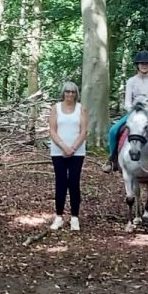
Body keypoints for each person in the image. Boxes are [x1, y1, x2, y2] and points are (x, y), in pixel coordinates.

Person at [102, 51, 148, 173]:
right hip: (133, 112)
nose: (144, 65)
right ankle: (112, 159)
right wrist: (132, 111)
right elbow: (127, 102)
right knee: (113, 131)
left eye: (147, 63)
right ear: (137, 65)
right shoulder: (131, 81)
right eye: (141, 63)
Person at [48, 81, 87, 231]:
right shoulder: (55, 109)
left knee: (74, 182)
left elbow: (83, 131)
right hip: (58, 152)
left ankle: (75, 217)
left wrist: (73, 148)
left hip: (77, 152)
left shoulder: (81, 108)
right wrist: (64, 147)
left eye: (73, 92)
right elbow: (52, 130)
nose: (70, 94)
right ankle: (58, 216)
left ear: (76, 94)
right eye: (67, 91)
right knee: (60, 183)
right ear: (63, 93)